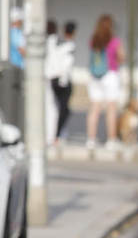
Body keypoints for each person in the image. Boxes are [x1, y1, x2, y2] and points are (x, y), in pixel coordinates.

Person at [85, 15, 123, 147]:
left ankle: (91, 139)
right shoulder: (114, 41)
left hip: (95, 76)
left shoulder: (94, 41)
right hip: (110, 75)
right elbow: (121, 56)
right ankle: (111, 140)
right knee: (111, 108)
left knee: (94, 108)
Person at [48, 21, 77, 144]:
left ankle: (56, 134)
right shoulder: (69, 46)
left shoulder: (54, 42)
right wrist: (63, 80)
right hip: (61, 80)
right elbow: (66, 64)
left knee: (56, 108)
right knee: (63, 110)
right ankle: (56, 135)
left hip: (53, 77)